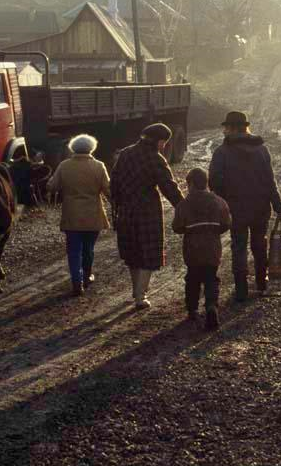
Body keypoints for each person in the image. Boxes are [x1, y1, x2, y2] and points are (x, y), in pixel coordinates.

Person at [208, 110, 281, 302]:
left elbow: (214, 182)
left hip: (236, 209)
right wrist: (277, 204)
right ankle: (261, 282)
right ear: (245, 127)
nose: (224, 131)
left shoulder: (222, 152)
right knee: (259, 244)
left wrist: (223, 201)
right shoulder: (261, 150)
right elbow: (269, 180)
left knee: (239, 247)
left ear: (232, 128)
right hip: (260, 208)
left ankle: (241, 289)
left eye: (226, 127)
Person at [110, 123, 184, 310]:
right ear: (159, 141)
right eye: (164, 143)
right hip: (147, 211)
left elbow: (114, 181)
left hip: (126, 210)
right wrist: (183, 207)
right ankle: (140, 296)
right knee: (148, 254)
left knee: (132, 252)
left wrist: (117, 205)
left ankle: (136, 292)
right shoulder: (155, 158)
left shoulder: (125, 153)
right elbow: (169, 187)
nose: (164, 146)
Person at [46, 134, 111, 296]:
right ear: (91, 148)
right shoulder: (99, 166)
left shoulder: (64, 165)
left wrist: (48, 183)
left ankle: (77, 281)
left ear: (73, 148)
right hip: (93, 214)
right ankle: (87, 275)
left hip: (72, 214)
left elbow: (52, 187)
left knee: (74, 250)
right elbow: (108, 190)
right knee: (88, 248)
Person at [172, 167, 232, 330]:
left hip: (192, 249)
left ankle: (192, 310)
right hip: (212, 247)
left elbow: (177, 227)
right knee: (211, 278)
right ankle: (211, 306)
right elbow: (226, 223)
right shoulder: (218, 201)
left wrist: (188, 229)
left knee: (192, 279)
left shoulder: (184, 204)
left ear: (190, 184)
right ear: (206, 183)